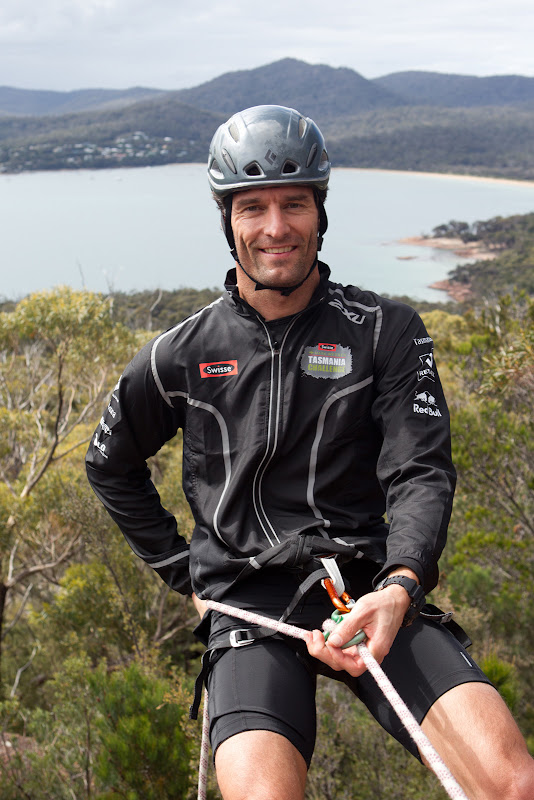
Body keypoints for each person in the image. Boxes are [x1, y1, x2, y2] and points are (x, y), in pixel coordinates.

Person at [86, 105, 534, 800]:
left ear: (319, 211)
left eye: (294, 204)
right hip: (247, 598)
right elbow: (109, 464)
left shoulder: (386, 332)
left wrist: (399, 585)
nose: (275, 227)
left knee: (512, 784)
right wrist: (187, 576)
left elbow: (421, 470)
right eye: (253, 206)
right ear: (227, 219)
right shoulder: (181, 353)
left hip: (367, 583)